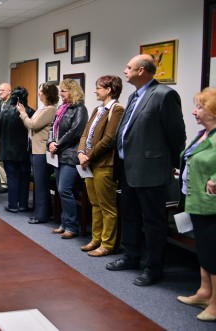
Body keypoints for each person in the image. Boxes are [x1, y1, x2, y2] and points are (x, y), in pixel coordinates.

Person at [106, 54, 186, 287]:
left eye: (129, 67)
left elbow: (176, 135)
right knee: (128, 215)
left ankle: (154, 268)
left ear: (142, 71)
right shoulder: (133, 95)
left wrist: (172, 164)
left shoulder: (165, 95)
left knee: (152, 222)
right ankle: (131, 256)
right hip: (128, 169)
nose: (125, 70)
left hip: (151, 169)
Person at [176, 87, 216, 321]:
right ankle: (204, 292)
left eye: (200, 107)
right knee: (204, 249)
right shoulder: (205, 134)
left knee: (213, 253)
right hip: (197, 200)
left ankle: (215, 304)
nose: (194, 111)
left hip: (211, 204)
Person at [77, 75, 125, 257]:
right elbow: (84, 135)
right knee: (95, 204)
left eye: (98, 87)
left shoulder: (117, 109)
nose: (95, 90)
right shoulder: (98, 109)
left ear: (109, 90)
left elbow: (108, 139)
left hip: (105, 164)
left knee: (108, 207)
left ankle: (107, 244)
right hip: (89, 163)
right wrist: (81, 153)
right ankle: (96, 239)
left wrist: (88, 156)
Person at [47, 79, 88, 239]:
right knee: (61, 190)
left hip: (70, 156)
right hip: (58, 154)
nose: (60, 94)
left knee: (65, 190)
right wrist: (50, 142)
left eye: (63, 91)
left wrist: (57, 144)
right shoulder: (62, 108)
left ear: (73, 91)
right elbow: (52, 127)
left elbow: (75, 132)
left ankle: (72, 226)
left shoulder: (80, 109)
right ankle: (64, 223)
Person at [18, 82, 58, 224]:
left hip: (41, 151)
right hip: (35, 149)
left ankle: (41, 215)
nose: (38, 93)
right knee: (39, 183)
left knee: (41, 184)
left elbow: (32, 125)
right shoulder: (44, 108)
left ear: (48, 94)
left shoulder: (50, 110)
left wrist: (22, 114)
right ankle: (43, 212)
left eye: (40, 91)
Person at [0, 86, 34, 212]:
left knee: (11, 178)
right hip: (24, 151)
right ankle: (23, 205)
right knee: (24, 178)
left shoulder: (5, 111)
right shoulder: (30, 112)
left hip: (7, 151)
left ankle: (12, 206)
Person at [0, 83, 11, 194]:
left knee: (9, 161)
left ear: (10, 91)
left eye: (3, 90)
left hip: (9, 137)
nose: (0, 92)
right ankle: (4, 184)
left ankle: (12, 183)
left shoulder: (14, 103)